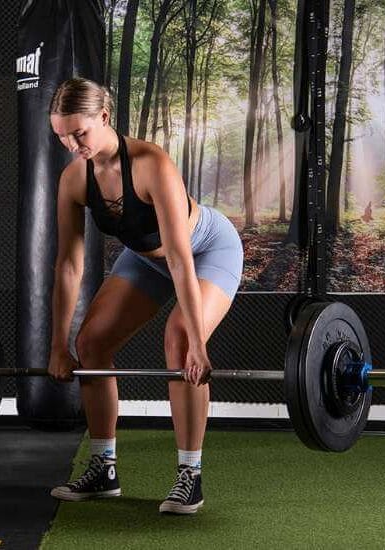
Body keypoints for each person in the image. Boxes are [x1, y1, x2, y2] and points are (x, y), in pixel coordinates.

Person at [46, 78, 244, 514]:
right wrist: (59, 344)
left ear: (104, 116)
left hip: (205, 250)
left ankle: (189, 475)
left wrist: (196, 340)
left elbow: (179, 257)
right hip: (144, 259)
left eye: (79, 132)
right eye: (61, 134)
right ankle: (103, 467)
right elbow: (69, 265)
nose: (71, 143)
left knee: (178, 341)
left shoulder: (152, 163)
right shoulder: (75, 179)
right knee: (91, 343)